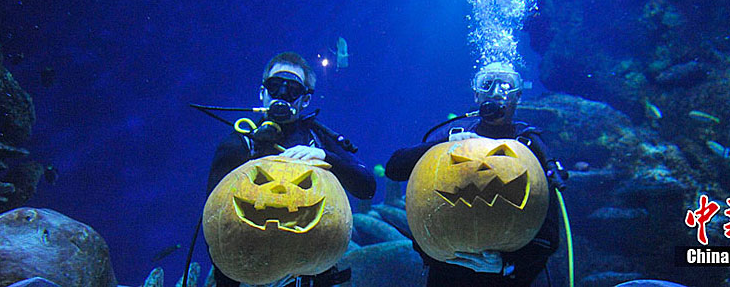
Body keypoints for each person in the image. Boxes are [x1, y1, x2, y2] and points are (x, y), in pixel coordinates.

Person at [385, 62, 567, 287]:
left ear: (518, 96)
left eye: (506, 85)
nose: (495, 92)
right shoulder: (452, 136)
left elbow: (549, 236)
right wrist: (443, 144)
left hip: (506, 279)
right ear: (476, 94)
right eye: (487, 84)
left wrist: (507, 265)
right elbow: (394, 168)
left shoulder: (530, 146)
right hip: (447, 273)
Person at [206, 51, 376, 287]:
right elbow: (214, 218)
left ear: (305, 100)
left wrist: (327, 157)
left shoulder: (317, 139)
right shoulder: (240, 143)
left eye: (293, 89)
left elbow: (367, 187)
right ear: (262, 92)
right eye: (275, 86)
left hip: (311, 277)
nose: (283, 95)